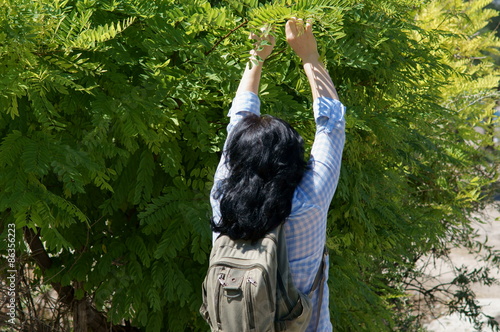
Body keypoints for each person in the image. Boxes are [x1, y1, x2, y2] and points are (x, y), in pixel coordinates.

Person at [210, 18, 346, 331]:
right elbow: (332, 124)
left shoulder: (222, 197)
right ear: (291, 159)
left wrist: (256, 58)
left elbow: (237, 123)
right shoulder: (308, 201)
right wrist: (309, 57)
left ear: (237, 158)